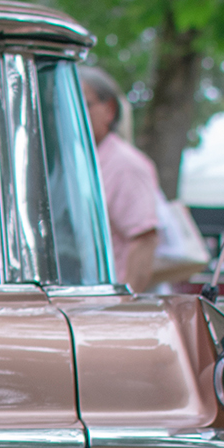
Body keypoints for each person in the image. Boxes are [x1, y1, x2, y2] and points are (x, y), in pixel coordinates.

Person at [79, 67, 159, 291]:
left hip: (107, 306)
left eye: (83, 104)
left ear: (109, 110)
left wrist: (123, 309)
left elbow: (144, 241)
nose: (72, 113)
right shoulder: (82, 162)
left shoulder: (125, 165)